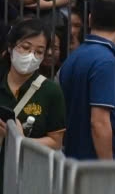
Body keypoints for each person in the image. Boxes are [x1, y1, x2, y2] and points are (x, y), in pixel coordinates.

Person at [60, 0, 115, 160]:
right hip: (95, 169)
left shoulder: (74, 56)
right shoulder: (105, 62)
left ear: (90, 19)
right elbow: (99, 122)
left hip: (73, 161)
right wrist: (108, 170)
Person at [0, 18, 67, 152]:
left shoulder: (51, 91)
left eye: (39, 52)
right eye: (25, 47)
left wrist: (21, 140)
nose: (31, 56)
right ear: (10, 47)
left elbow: (56, 142)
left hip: (28, 170)